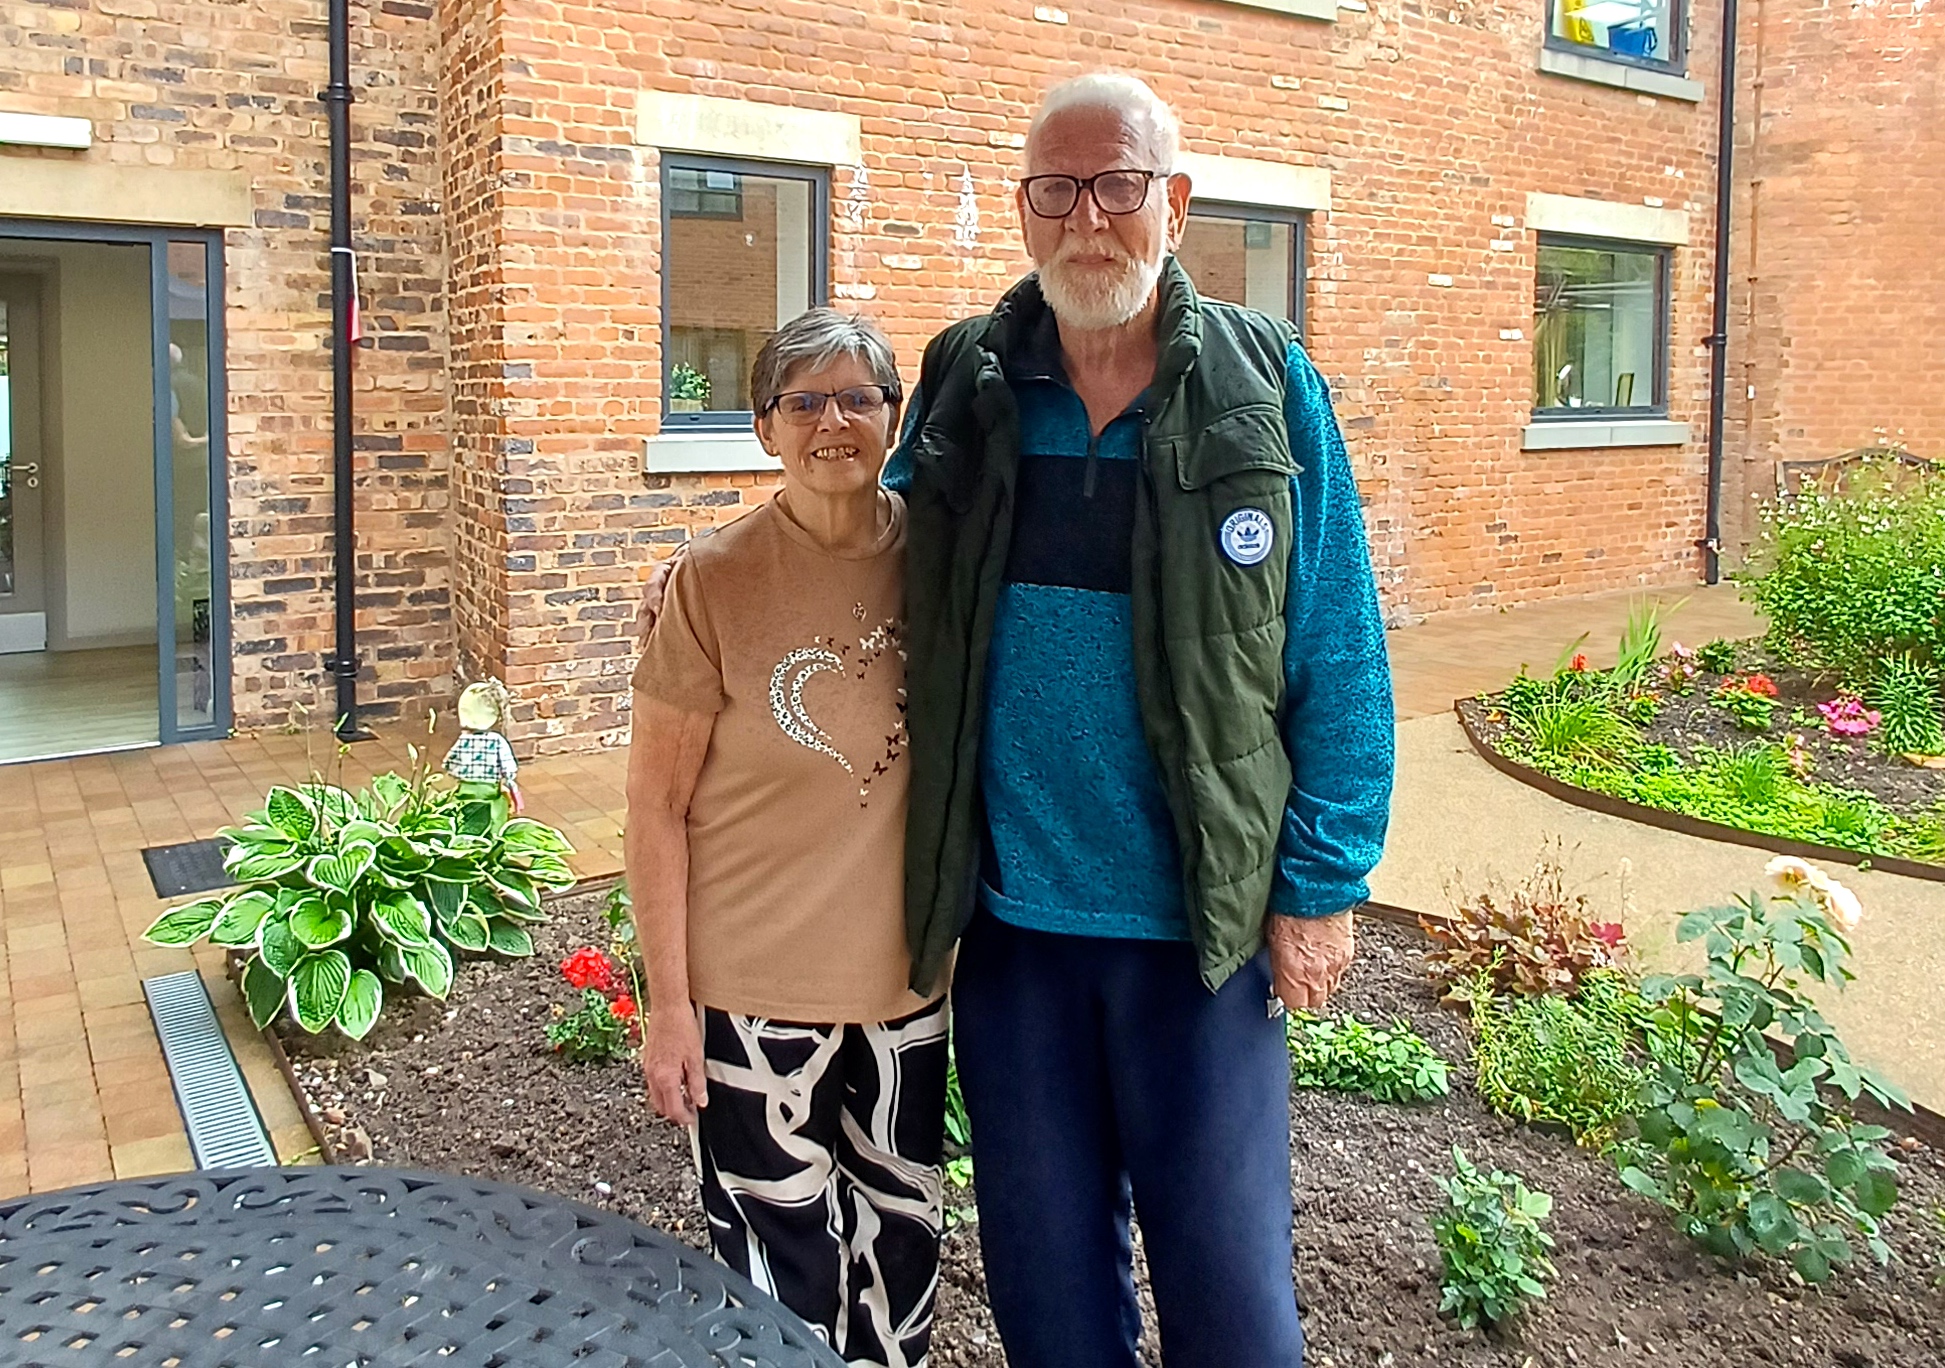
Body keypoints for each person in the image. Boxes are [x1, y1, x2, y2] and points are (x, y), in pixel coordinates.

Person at [886, 72, 1395, 1367]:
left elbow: (1337, 646)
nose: (1087, 217)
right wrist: (713, 569)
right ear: (1022, 213)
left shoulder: (1267, 386)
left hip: (1198, 940)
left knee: (1234, 1317)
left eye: (1117, 184)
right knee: (1053, 1314)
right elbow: (858, 552)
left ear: (1175, 200)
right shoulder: (966, 378)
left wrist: (1321, 885)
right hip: (1015, 942)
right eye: (1056, 190)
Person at [626, 309, 946, 1368]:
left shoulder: (946, 563)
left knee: (899, 1259)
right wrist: (668, 1005)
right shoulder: (713, 581)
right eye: (802, 401)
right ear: (764, 427)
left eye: (858, 397)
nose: (832, 422)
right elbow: (656, 810)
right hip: (751, 1002)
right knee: (773, 1280)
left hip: (907, 995)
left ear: (894, 418)